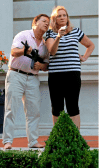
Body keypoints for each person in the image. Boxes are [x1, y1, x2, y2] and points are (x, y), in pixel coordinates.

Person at [3, 14, 50, 150]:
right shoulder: (23, 35)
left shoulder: (45, 45)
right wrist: (25, 50)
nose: (46, 24)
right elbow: (13, 52)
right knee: (11, 109)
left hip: (33, 78)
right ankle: (7, 141)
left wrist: (41, 66)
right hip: (16, 74)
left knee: (33, 111)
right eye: (43, 21)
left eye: (48, 22)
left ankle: (33, 141)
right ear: (34, 23)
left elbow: (46, 64)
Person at [45, 6, 95, 129]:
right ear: (54, 19)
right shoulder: (50, 34)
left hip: (73, 73)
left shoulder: (76, 31)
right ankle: (58, 137)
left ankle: (76, 138)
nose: (62, 17)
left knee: (73, 106)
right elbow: (52, 51)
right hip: (56, 74)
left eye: (64, 15)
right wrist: (58, 37)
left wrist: (84, 57)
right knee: (57, 107)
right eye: (59, 16)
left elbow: (90, 45)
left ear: (67, 17)